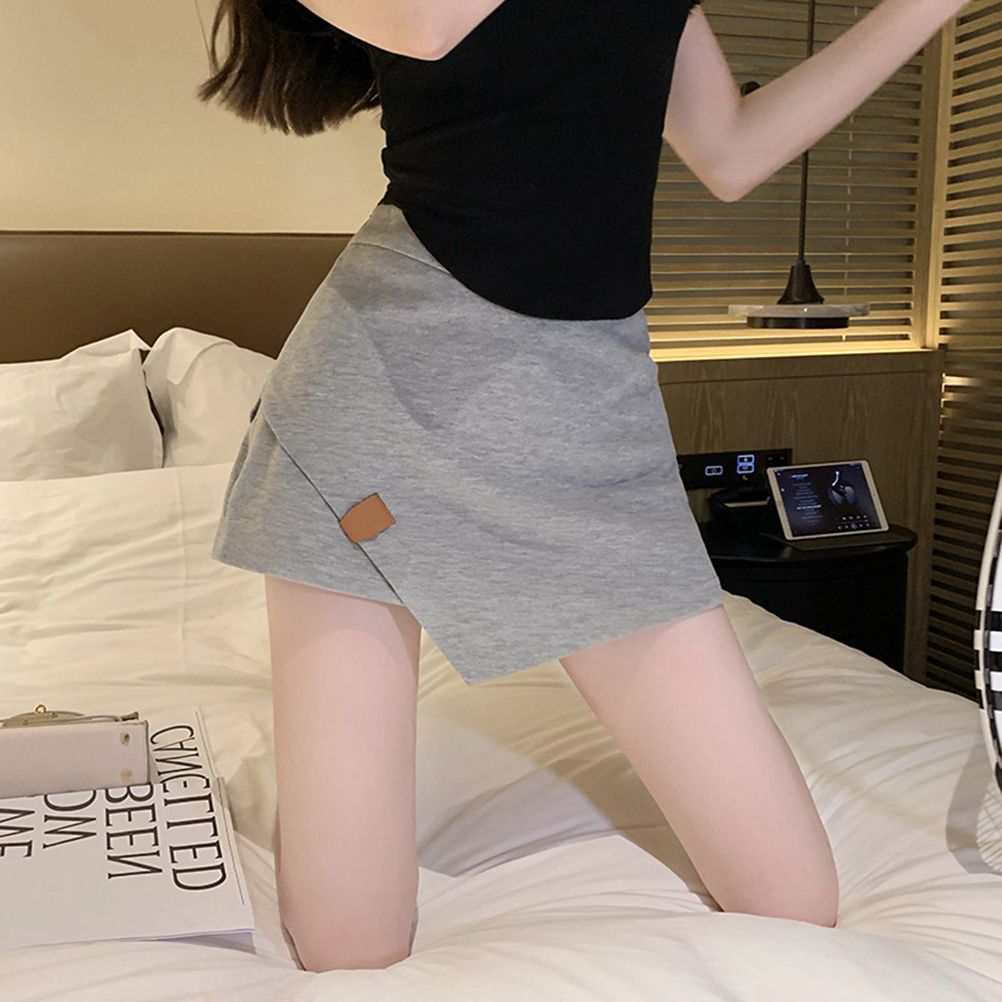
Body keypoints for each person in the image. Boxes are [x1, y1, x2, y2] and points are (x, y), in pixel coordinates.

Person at [198, 0, 970, 973]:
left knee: (793, 897)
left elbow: (731, 151)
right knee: (353, 948)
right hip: (378, 416)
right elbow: (430, 23)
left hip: (589, 412)